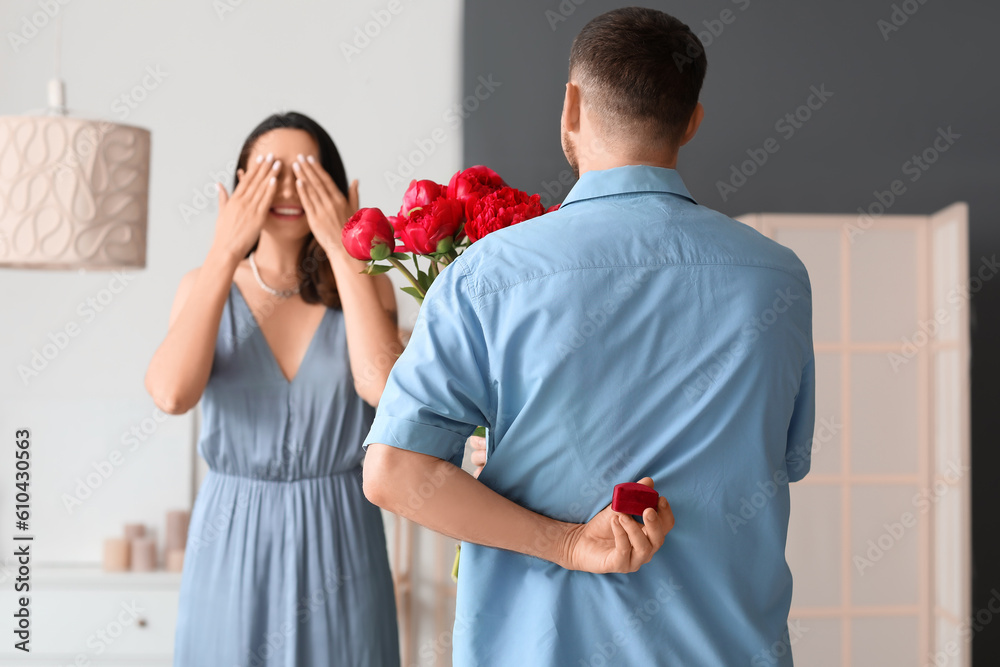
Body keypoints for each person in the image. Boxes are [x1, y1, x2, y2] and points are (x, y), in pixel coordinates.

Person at [362, 7, 814, 666]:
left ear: (571, 107)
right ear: (692, 122)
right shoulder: (779, 279)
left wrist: (569, 542)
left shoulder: (487, 276)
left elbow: (393, 472)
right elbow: (783, 459)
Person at [145, 112, 401, 666]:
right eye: (269, 172)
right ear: (240, 185)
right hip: (231, 532)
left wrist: (344, 248)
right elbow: (171, 394)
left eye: (305, 171)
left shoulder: (367, 284)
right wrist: (223, 252)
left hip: (340, 535)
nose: (287, 189)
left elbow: (384, 388)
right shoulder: (203, 285)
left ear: (334, 185)